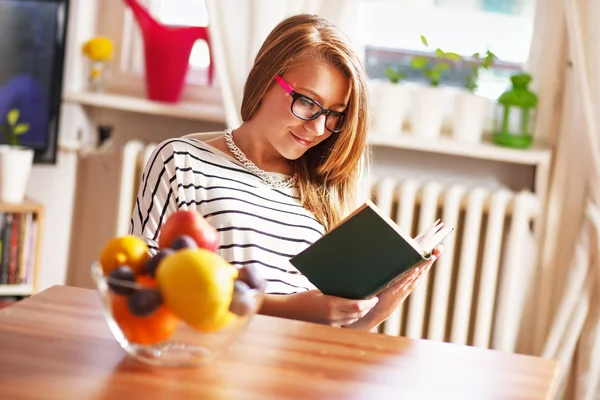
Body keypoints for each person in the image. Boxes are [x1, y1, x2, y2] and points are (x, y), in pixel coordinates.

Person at [130, 14, 441, 331]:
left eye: (335, 115)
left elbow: (326, 336)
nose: (319, 127)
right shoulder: (181, 161)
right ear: (265, 79)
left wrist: (375, 313)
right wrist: (287, 308)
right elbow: (143, 289)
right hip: (205, 362)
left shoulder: (325, 188)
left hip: (295, 371)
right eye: (307, 102)